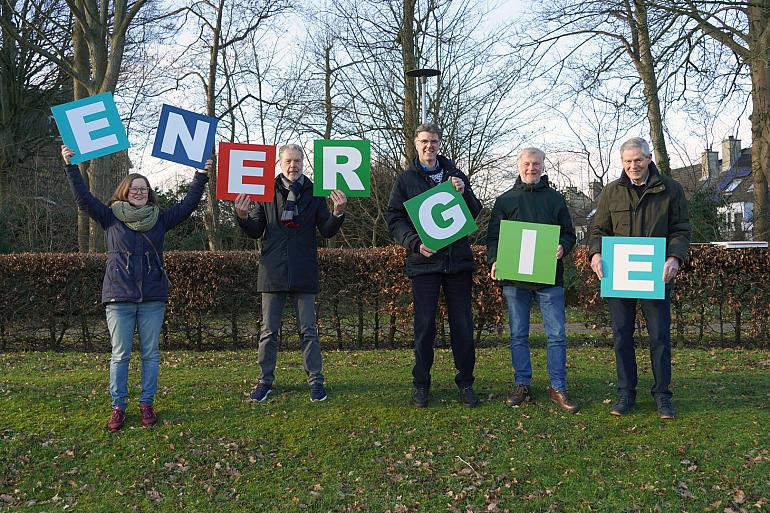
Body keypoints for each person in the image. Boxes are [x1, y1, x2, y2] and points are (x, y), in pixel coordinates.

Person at [62, 145, 210, 432]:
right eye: (134, 189)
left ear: (149, 193)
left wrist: (201, 174)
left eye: (144, 189)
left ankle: (146, 403)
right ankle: (118, 406)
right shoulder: (110, 218)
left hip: (153, 298)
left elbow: (189, 205)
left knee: (151, 354)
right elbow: (83, 199)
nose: (139, 192)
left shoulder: (160, 219)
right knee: (120, 354)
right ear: (125, 192)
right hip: (119, 298)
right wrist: (69, 165)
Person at [234, 143, 347, 403]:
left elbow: (327, 230)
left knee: (308, 330)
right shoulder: (265, 190)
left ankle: (316, 381)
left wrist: (338, 213)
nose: (293, 165)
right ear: (280, 164)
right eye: (288, 161)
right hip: (272, 271)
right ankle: (265, 381)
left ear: (303, 163)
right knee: (268, 332)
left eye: (297, 161)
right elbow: (255, 229)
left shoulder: (316, 193)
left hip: (304, 269)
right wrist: (241, 216)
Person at [588, 137, 690, 419]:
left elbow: (681, 229)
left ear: (648, 159)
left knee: (659, 336)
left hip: (655, 274)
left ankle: (662, 395)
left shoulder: (671, 189)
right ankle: (626, 393)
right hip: (619, 275)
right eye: (628, 161)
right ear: (622, 163)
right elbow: (598, 231)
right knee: (622, 336)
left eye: (638, 159)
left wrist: (675, 257)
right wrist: (595, 255)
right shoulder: (611, 192)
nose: (634, 165)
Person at [387, 123, 482, 408]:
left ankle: (465, 383)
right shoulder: (405, 180)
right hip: (424, 263)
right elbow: (394, 219)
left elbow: (475, 211)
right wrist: (414, 242)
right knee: (424, 327)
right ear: (416, 144)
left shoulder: (455, 175)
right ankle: (421, 384)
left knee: (462, 326)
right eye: (424, 141)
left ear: (440, 144)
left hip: (457, 264)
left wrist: (464, 192)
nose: (429, 146)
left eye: (434, 141)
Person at [486, 147, 579, 413]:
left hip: (549, 276)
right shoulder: (504, 200)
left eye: (536, 164)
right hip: (514, 279)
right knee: (518, 333)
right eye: (527, 164)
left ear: (543, 166)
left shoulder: (555, 200)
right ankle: (522, 383)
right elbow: (493, 239)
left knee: (557, 334)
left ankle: (558, 385)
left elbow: (569, 235)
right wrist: (493, 260)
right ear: (519, 165)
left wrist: (563, 246)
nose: (531, 168)